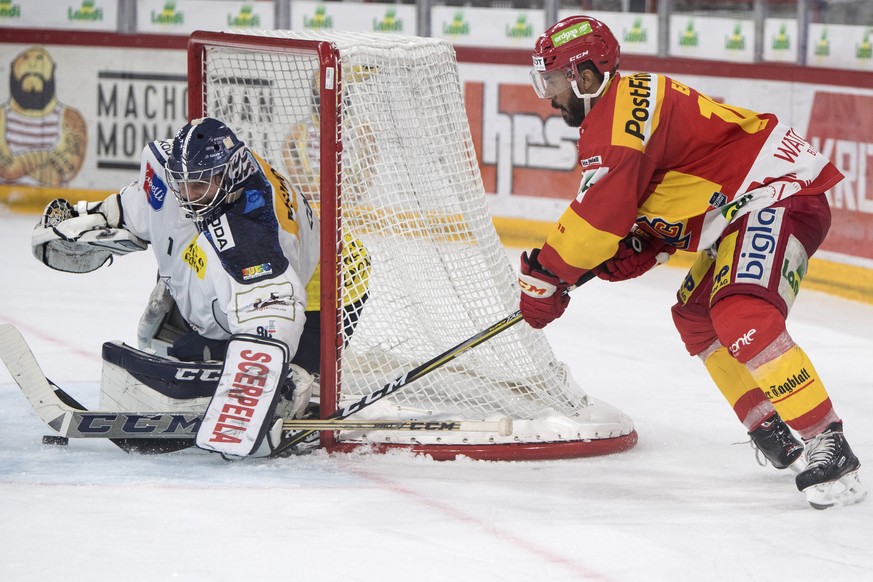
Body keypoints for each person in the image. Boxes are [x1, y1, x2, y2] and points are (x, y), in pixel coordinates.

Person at [518, 15, 865, 509]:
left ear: (586, 76)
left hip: (776, 194)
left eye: (552, 81)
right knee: (696, 318)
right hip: (744, 206)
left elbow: (598, 218)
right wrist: (640, 243)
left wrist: (549, 277)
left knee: (742, 312)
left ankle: (826, 439)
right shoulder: (622, 107)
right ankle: (769, 426)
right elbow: (662, 199)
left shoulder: (617, 118)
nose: (549, 97)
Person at [31, 117, 320, 458]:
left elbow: (275, 312)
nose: (187, 195)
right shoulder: (184, 173)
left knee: (283, 375)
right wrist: (102, 213)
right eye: (182, 183)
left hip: (325, 288)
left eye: (198, 185)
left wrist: (261, 390)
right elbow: (147, 202)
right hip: (267, 270)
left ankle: (306, 379)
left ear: (231, 173)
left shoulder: (254, 236)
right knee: (186, 349)